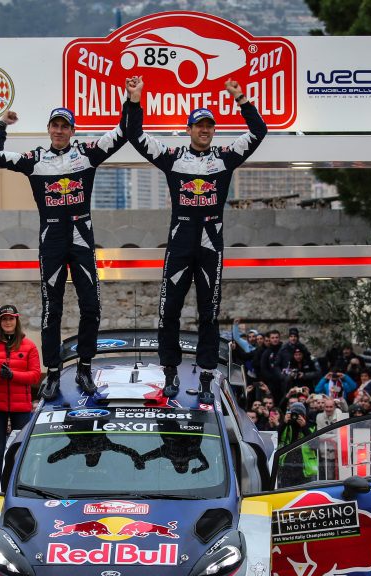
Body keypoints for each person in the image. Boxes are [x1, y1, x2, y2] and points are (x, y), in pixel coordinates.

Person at [125, 75, 267, 401]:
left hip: (210, 244)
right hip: (180, 242)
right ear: (189, 129)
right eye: (199, 125)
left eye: (209, 126)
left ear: (214, 131)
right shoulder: (174, 157)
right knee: (169, 310)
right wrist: (134, 100)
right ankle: (170, 373)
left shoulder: (225, 157)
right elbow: (135, 135)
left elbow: (259, 131)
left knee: (209, 313)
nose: (204, 130)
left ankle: (205, 377)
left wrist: (241, 99)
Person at [0, 104, 128, 400]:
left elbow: (121, 134)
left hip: (81, 239)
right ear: (49, 129)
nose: (60, 131)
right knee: (52, 309)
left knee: (91, 306)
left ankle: (85, 367)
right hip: (51, 241)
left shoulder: (86, 154)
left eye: (65, 126)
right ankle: (52, 372)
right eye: (55, 126)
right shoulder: (36, 159)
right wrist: (2, 124)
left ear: (73, 131)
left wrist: (131, 101)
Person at [0, 304, 41, 491]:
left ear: (16, 320)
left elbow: (35, 376)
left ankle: (17, 488)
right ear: (0, 322)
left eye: (11, 319)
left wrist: (13, 375)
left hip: (20, 406)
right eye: (4, 319)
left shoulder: (29, 346)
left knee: (19, 449)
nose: (8, 322)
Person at [277, 401, 318, 487]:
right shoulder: (287, 425)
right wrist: (283, 423)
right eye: (294, 414)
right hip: (287, 467)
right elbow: (276, 438)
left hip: (304, 468)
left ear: (304, 415)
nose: (296, 416)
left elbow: (315, 445)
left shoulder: (311, 426)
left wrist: (304, 426)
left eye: (299, 414)